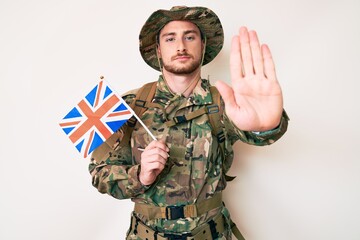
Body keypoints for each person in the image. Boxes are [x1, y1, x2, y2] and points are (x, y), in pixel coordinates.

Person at [89, 6, 289, 240]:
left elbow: (256, 132)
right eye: (170, 38)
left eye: (190, 37)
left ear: (203, 45)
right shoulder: (128, 104)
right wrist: (141, 175)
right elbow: (100, 175)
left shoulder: (225, 102)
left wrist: (265, 125)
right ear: (158, 50)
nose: (181, 46)